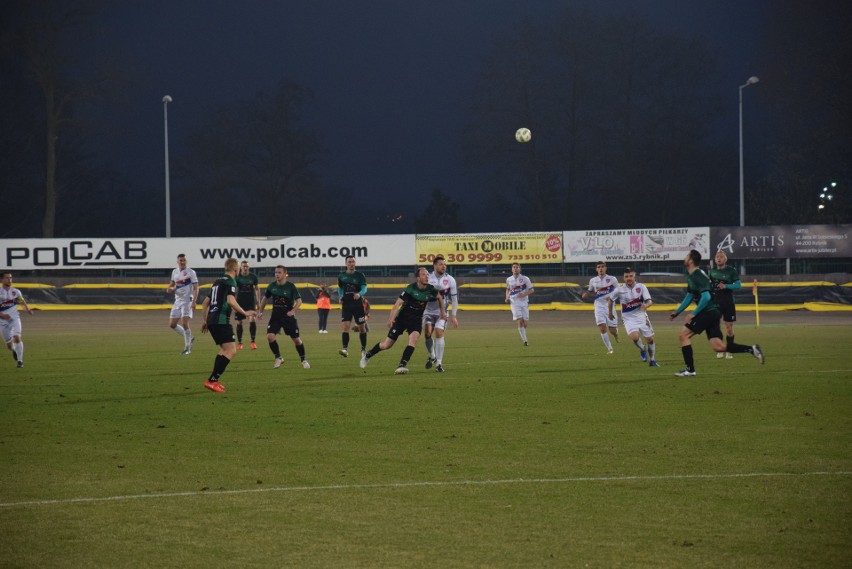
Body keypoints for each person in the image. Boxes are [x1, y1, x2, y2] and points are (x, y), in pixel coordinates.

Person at [669, 249, 765, 377]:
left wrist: (693, 313)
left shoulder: (698, 275)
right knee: (718, 347)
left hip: (707, 312)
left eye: (687, 256)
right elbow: (690, 295)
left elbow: (706, 297)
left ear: (691, 261)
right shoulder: (693, 275)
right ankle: (752, 349)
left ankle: (690, 370)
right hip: (713, 312)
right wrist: (677, 312)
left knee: (683, 335)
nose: (685, 258)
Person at [360, 267, 445, 374]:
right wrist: (391, 319)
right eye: (424, 274)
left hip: (416, 320)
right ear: (418, 278)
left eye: (428, 274)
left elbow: (440, 298)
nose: (427, 276)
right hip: (402, 319)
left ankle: (402, 365)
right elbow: (397, 304)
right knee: (387, 345)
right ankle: (368, 355)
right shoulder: (410, 289)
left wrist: (443, 312)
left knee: (413, 340)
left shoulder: (431, 289)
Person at [199, 258, 256, 392]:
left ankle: (214, 380)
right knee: (231, 350)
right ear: (236, 270)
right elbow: (231, 301)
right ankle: (212, 380)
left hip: (212, 320)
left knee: (225, 350)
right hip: (221, 320)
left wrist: (206, 320)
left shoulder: (217, 282)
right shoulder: (231, 281)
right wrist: (245, 313)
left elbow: (204, 303)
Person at [257, 265, 310, 369]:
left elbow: (299, 301)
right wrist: (260, 311)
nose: (277, 274)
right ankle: (278, 357)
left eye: (279, 272)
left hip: (288, 317)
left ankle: (303, 359)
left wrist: (293, 311)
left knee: (296, 340)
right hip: (276, 316)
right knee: (270, 337)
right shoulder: (272, 286)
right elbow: (265, 299)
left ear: (285, 274)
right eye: (276, 272)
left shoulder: (290, 286)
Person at [607, 267, 659, 367]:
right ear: (623, 278)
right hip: (628, 318)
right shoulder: (619, 289)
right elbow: (610, 300)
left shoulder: (641, 287)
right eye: (626, 276)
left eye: (631, 276)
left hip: (642, 316)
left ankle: (652, 360)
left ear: (634, 277)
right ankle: (642, 349)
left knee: (650, 339)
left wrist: (646, 305)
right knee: (635, 338)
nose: (629, 278)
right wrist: (610, 313)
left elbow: (649, 301)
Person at [423, 255, 459, 372]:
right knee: (427, 333)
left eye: (445, 264)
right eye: (440, 264)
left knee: (438, 332)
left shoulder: (450, 280)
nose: (443, 266)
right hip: (428, 311)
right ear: (434, 266)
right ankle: (432, 356)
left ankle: (439, 363)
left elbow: (454, 299)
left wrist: (453, 316)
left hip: (442, 312)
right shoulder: (427, 278)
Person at [581, 260, 620, 354]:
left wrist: (611, 297)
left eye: (602, 266)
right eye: (599, 267)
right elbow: (590, 291)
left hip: (610, 306)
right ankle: (610, 349)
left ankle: (616, 334)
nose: (601, 268)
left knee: (612, 330)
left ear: (606, 268)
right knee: (602, 328)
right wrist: (586, 294)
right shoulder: (593, 280)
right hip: (598, 306)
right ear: (596, 269)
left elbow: (619, 290)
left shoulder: (612, 279)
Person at [709, 250, 742, 360]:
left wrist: (726, 286)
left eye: (721, 257)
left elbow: (738, 285)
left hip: (728, 302)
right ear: (715, 259)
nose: (719, 258)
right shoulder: (712, 272)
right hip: (715, 302)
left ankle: (730, 349)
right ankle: (720, 348)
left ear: (725, 259)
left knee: (729, 327)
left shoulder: (731, 271)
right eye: (717, 256)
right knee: (715, 327)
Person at [166, 253, 199, 355]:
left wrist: (194, 302)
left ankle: (187, 348)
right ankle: (190, 337)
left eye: (184, 260)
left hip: (187, 300)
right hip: (178, 300)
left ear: (186, 261)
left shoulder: (191, 272)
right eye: (181, 260)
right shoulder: (174, 272)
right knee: (172, 324)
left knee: (185, 323)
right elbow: (172, 283)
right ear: (177, 261)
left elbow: (196, 288)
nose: (182, 262)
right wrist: (170, 288)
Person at [1, 272, 34, 368]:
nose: (9, 280)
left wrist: (28, 310)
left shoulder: (16, 292)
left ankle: (20, 361)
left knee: (17, 337)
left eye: (10, 278)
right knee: (9, 346)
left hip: (15, 318)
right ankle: (14, 350)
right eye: (7, 278)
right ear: (1, 279)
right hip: (2, 321)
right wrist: (2, 314)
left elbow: (22, 302)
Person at [337, 255, 368, 357]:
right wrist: (341, 296)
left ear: (355, 263)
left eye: (353, 262)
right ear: (346, 263)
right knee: (345, 327)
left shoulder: (360, 275)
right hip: (346, 304)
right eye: (349, 262)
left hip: (357, 305)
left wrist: (359, 294)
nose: (351, 264)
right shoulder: (341, 276)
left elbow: (364, 289)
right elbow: (340, 288)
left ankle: (363, 350)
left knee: (362, 328)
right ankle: (345, 349)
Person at [234, 260, 261, 350]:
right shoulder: (237, 277)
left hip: (250, 302)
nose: (245, 268)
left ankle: (253, 341)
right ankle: (240, 342)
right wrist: (233, 302)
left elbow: (257, 289)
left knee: (252, 319)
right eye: (244, 266)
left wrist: (258, 301)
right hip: (240, 302)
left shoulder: (253, 277)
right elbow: (233, 289)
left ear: (249, 267)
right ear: (241, 267)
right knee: (239, 322)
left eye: (247, 266)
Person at [505, 263, 533, 346]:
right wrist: (507, 297)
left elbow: (531, 290)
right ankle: (525, 341)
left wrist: (524, 294)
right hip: (514, 302)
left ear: (519, 269)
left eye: (517, 267)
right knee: (519, 320)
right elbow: (508, 289)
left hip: (524, 302)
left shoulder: (525, 279)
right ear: (511, 269)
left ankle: (523, 335)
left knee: (525, 324)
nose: (515, 269)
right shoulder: (509, 279)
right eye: (514, 267)